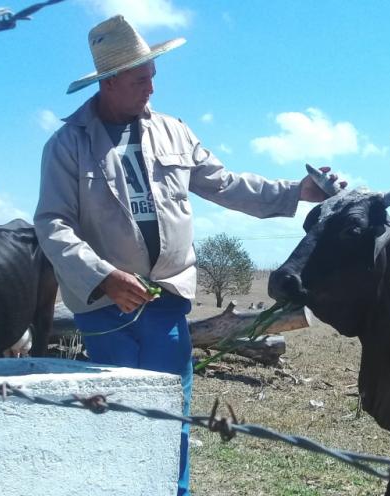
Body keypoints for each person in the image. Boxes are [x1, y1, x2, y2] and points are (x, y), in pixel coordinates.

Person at [33, 15, 344, 496]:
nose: (152, 86)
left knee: (171, 412)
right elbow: (52, 222)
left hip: (168, 298)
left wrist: (296, 191)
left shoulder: (174, 132)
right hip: (105, 305)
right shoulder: (68, 144)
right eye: (140, 79)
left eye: (153, 74)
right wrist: (103, 276)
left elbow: (227, 185)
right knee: (116, 413)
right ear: (109, 83)